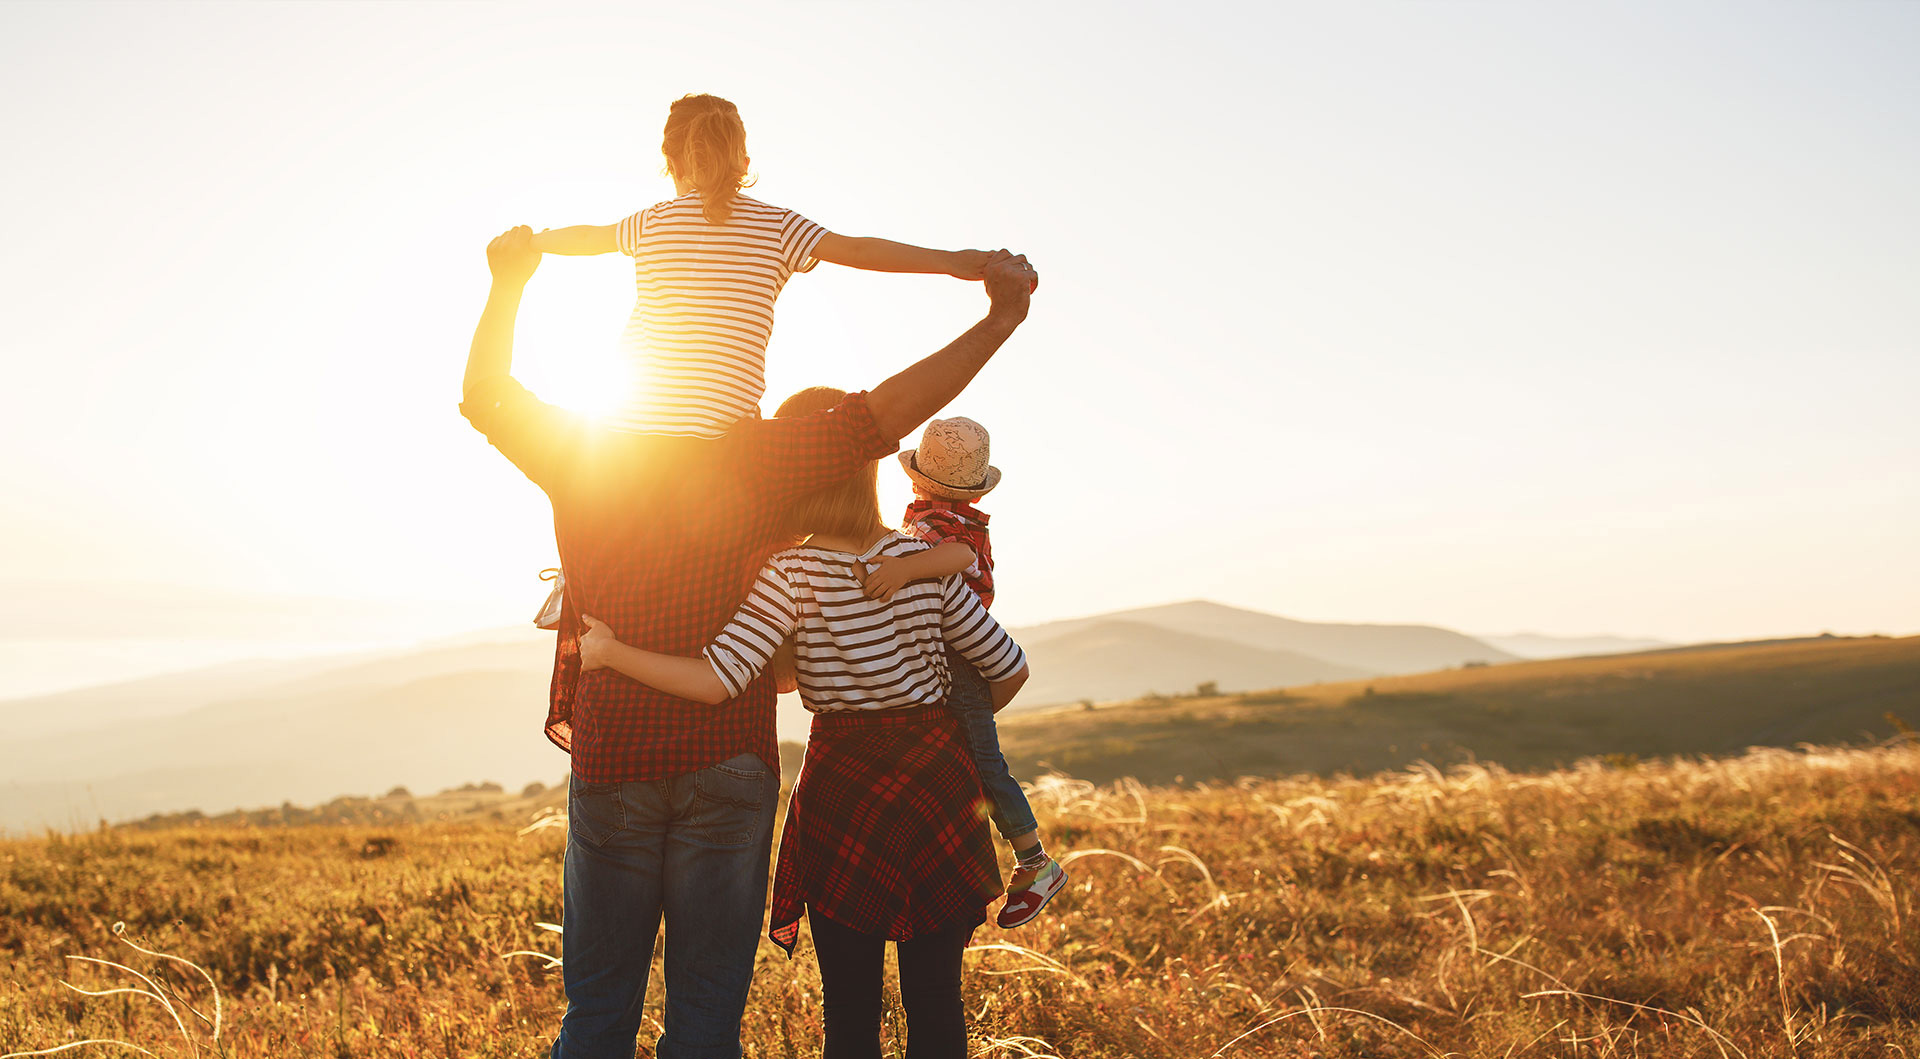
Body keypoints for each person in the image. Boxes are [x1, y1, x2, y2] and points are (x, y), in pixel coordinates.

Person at [461, 225, 1037, 1059]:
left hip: (619, 749)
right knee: (707, 1012)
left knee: (596, 1010)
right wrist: (997, 320)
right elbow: (884, 416)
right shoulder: (770, 468)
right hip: (737, 761)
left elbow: (486, 391)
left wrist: (509, 279)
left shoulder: (582, 452)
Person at [575, 384, 1030, 1058]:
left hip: (844, 788)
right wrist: (942, 735)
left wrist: (611, 651)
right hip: (938, 783)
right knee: (936, 998)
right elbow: (1010, 665)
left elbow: (716, 679)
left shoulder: (791, 571)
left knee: (850, 1009)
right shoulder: (920, 562)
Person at [530, 93, 995, 438]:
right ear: (744, 160)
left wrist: (532, 242)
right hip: (723, 433)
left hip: (627, 426)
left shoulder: (652, 222)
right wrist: (952, 262)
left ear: (670, 162)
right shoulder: (777, 225)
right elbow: (858, 251)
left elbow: (588, 237)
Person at [859, 416, 1067, 927]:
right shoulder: (940, 516)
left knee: (982, 760)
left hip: (958, 653)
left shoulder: (944, 526)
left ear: (915, 476)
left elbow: (957, 557)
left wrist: (904, 569)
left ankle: (1035, 861)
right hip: (950, 652)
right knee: (962, 758)